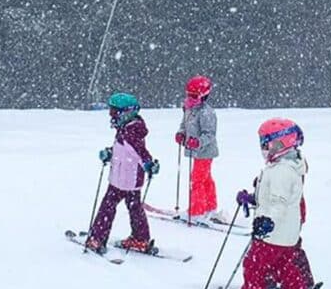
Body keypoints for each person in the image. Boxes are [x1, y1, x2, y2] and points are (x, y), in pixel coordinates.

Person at [231, 118, 317, 289]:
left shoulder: (281, 171)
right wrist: (252, 199)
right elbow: (276, 199)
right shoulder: (287, 166)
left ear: (282, 143)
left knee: (254, 268)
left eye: (267, 143)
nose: (264, 148)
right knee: (288, 270)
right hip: (287, 235)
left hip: (272, 235)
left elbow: (278, 203)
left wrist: (267, 221)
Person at [85, 93, 160, 254]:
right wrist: (110, 153)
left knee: (108, 207)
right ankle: (140, 238)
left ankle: (97, 238)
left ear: (126, 113)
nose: (111, 117)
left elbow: (139, 152)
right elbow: (125, 151)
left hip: (123, 179)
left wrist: (149, 164)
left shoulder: (129, 133)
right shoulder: (127, 129)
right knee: (134, 208)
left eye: (114, 113)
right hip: (128, 179)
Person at [174, 75, 226, 225]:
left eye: (195, 96)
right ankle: (210, 206)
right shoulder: (189, 109)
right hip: (195, 150)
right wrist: (181, 133)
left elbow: (210, 134)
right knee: (205, 178)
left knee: (197, 180)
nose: (191, 99)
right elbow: (184, 124)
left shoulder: (206, 113)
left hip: (205, 152)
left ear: (204, 96)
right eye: (189, 95)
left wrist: (198, 142)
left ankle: (197, 211)